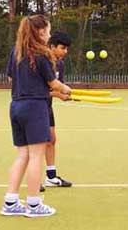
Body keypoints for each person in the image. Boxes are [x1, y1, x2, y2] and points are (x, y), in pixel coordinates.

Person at [1, 15, 72, 217]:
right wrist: (67, 89)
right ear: (40, 32)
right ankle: (34, 205)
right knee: (35, 157)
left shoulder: (17, 52)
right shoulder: (41, 54)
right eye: (48, 31)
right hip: (35, 108)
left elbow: (10, 77)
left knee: (22, 155)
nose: (49, 35)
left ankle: (10, 201)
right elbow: (54, 84)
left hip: (16, 106)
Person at [40, 31, 74, 191]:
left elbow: (58, 85)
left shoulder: (60, 64)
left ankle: (51, 177)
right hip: (36, 105)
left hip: (47, 106)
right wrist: (59, 94)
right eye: (62, 48)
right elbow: (38, 90)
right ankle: (33, 179)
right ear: (52, 46)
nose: (65, 51)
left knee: (51, 139)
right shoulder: (42, 61)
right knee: (36, 143)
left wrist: (62, 94)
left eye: (67, 49)